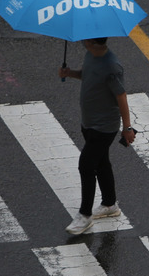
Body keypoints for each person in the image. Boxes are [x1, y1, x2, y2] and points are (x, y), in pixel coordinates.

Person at [58, 37, 136, 235]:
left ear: (92, 41)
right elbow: (88, 75)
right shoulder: (90, 54)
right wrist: (71, 73)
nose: (82, 40)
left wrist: (127, 128)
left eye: (86, 38)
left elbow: (121, 96)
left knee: (86, 164)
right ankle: (110, 204)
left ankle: (84, 216)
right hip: (89, 122)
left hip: (104, 127)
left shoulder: (112, 66)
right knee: (101, 162)